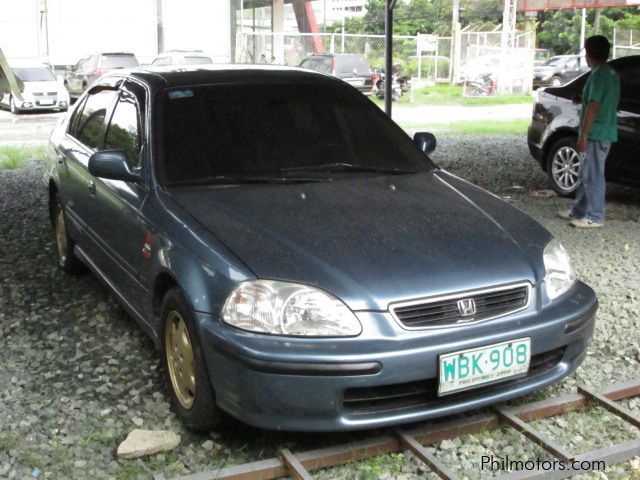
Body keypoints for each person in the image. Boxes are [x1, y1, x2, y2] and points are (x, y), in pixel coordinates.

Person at [558, 35, 620, 228]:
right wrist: (582, 98)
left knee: (593, 175)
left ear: (589, 54)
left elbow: (594, 106)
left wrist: (583, 135)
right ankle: (578, 210)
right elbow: (604, 101)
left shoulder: (598, 75)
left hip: (596, 132)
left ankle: (594, 216)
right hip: (606, 129)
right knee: (587, 173)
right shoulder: (611, 74)